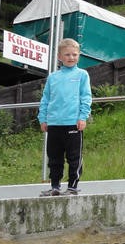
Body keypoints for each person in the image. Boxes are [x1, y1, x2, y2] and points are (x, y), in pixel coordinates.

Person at [38, 38, 92, 196]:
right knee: (54, 158)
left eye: (74, 54)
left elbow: (86, 97)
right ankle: (55, 186)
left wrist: (83, 117)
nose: (71, 57)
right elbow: (45, 99)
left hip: (73, 124)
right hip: (54, 124)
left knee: (74, 157)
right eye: (67, 54)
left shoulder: (82, 75)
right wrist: (43, 119)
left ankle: (72, 187)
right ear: (60, 56)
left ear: (79, 56)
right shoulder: (53, 77)